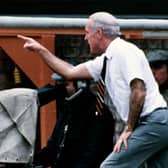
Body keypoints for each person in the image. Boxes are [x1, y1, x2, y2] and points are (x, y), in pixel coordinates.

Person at [17, 12, 168, 168]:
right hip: (157, 123)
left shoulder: (124, 51)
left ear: (99, 33)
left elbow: (139, 91)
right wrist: (41, 50)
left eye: (87, 33)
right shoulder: (106, 60)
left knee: (111, 166)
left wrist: (129, 128)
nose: (85, 38)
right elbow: (70, 72)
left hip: (152, 121)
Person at [35, 78, 114, 168]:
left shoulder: (97, 111)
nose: (61, 90)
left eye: (65, 85)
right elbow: (52, 149)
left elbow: (94, 154)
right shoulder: (67, 110)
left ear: (80, 85)